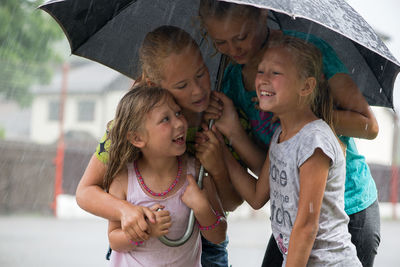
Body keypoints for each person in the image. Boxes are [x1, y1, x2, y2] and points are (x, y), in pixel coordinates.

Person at [198, 1, 380, 266]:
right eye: (220, 43)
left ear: (262, 14)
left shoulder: (304, 53)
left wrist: (299, 112)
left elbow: (370, 126)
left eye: (241, 37)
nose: (233, 50)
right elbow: (275, 177)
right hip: (293, 217)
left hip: (347, 210)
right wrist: (230, 134)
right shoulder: (231, 83)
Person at [76, 26, 242, 267]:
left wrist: (216, 170)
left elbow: (230, 203)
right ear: (154, 84)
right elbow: (85, 192)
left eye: (200, 74)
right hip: (138, 241)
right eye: (182, 85)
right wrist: (126, 211)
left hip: (203, 245)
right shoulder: (127, 128)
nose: (197, 90)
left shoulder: (218, 121)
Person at [219, 34, 361, 266]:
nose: (263, 79)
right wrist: (220, 153)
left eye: (275, 73)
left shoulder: (314, 141)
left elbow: (306, 226)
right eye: (260, 71)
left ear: (306, 86)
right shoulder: (280, 136)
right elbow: (256, 196)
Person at [105, 85, 227, 266]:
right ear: (137, 138)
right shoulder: (124, 180)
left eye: (178, 113)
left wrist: (202, 208)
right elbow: (114, 240)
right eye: (165, 119)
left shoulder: (196, 173)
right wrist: (146, 231)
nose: (179, 123)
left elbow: (219, 235)